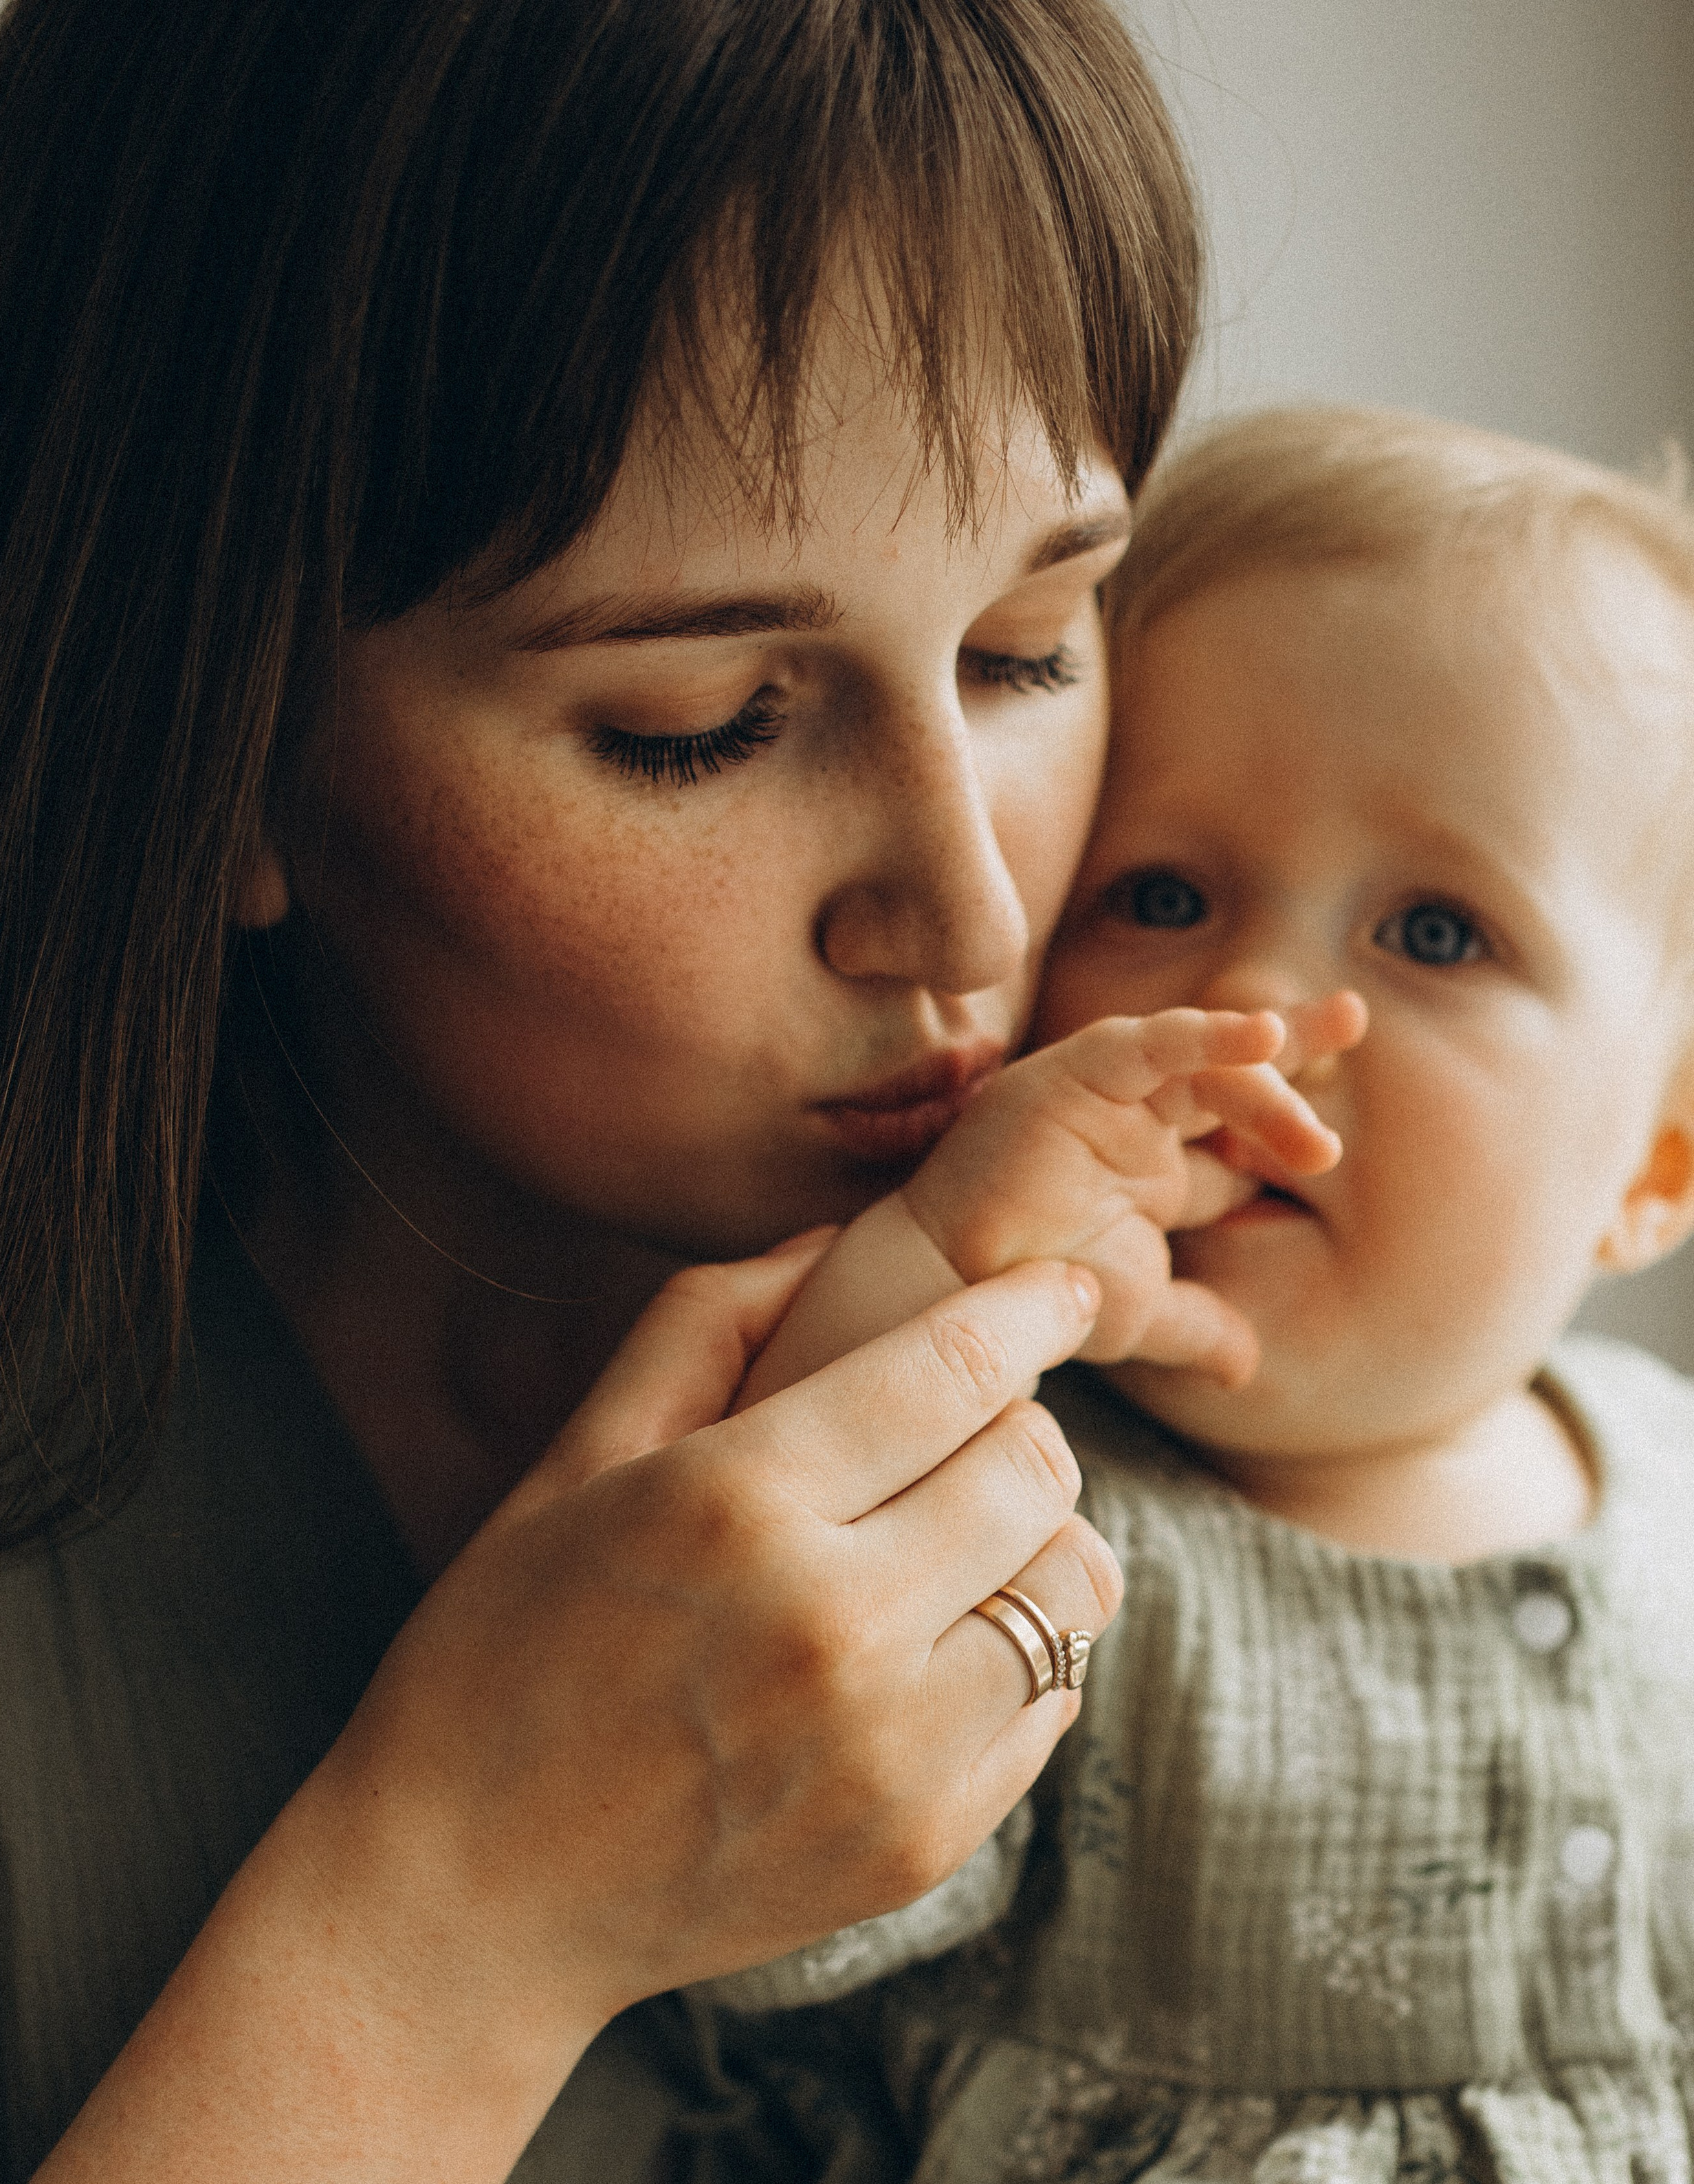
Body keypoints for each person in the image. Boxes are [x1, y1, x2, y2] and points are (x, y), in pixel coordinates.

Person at [0, 0, 1275, 2176]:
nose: (964, 915)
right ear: (215, 738)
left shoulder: (1238, 1324)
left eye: (1032, 647)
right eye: (699, 721)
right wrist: (458, 1924)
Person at [696, 408, 1694, 2181]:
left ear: (1661, 1160)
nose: (1250, 997)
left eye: (1438, 932)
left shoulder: (1672, 1479)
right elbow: (752, 1904)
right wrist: (935, 1278)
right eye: (1158, 895)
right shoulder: (1023, 1508)